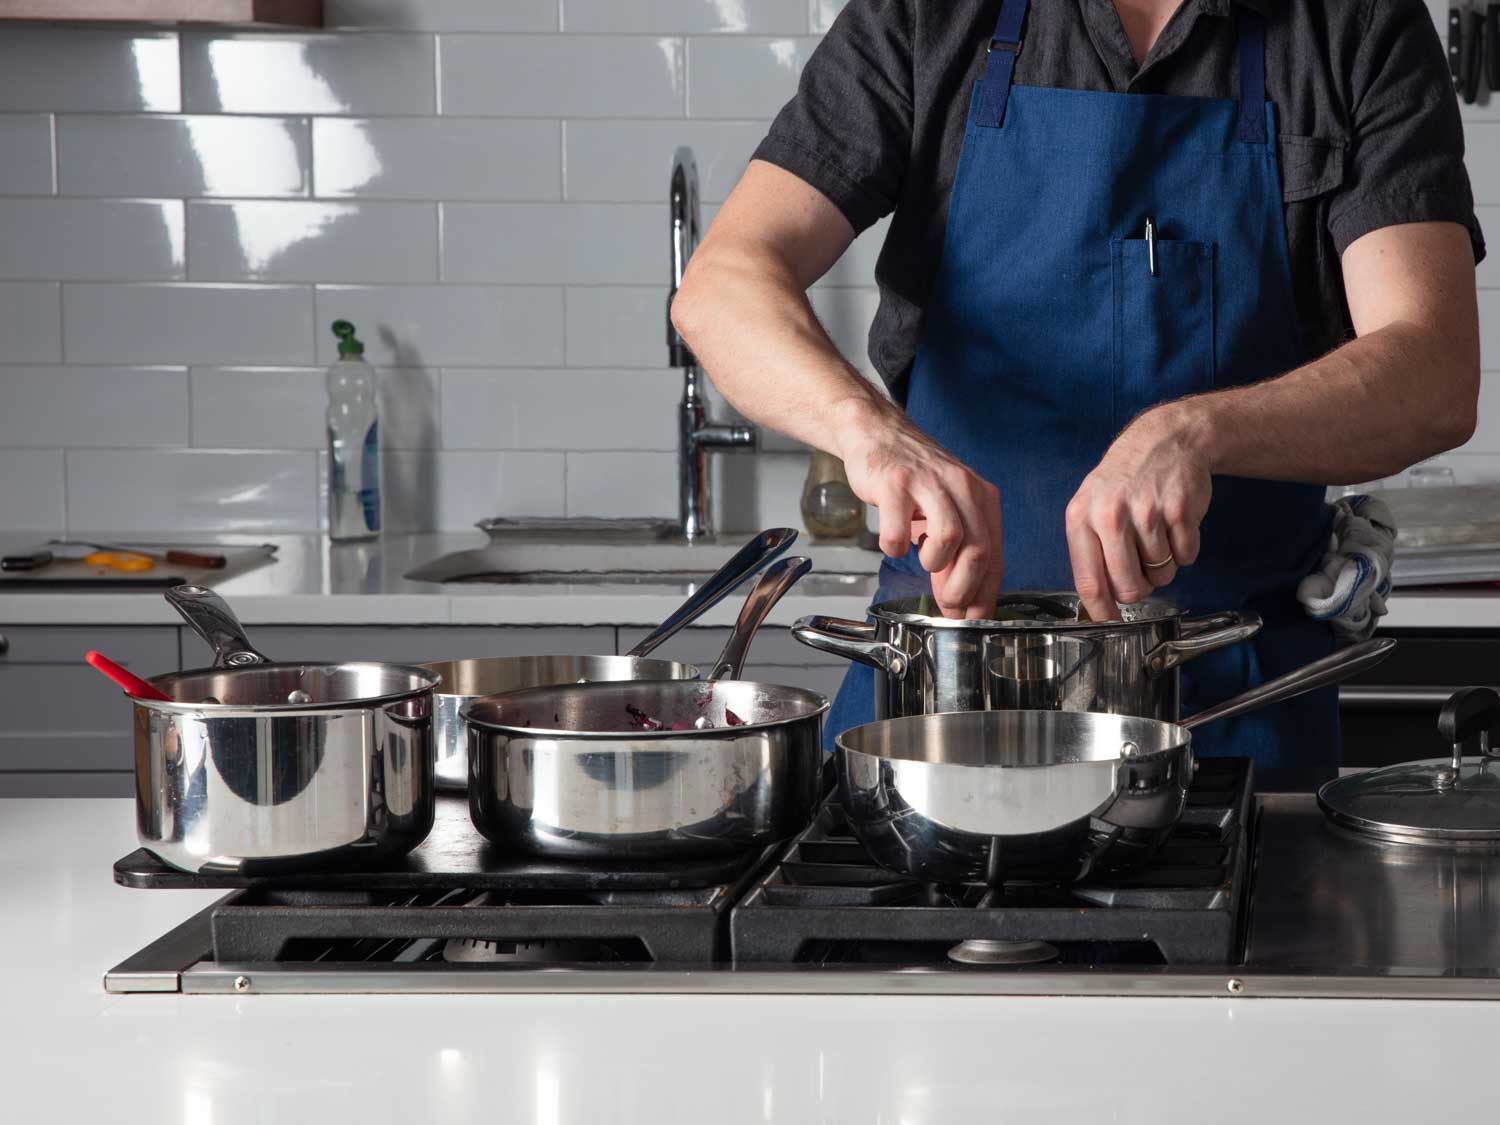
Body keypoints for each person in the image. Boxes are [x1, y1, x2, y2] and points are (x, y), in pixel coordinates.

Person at [671, 0, 1484, 771]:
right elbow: (722, 286)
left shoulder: (1356, 25)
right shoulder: (931, 16)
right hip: (934, 723)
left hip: (1231, 723)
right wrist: (869, 430)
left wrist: (1192, 433)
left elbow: (1434, 369)